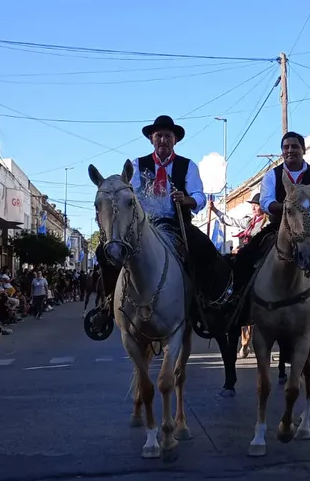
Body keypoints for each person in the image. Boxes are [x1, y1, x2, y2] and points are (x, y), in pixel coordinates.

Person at [94, 115, 227, 332]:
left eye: (167, 136)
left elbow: (199, 196)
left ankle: (206, 302)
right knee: (104, 251)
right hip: (143, 225)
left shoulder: (187, 165)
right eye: (159, 136)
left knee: (205, 250)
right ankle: (108, 304)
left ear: (175, 140)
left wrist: (186, 199)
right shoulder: (136, 165)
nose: (163, 140)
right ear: (151, 140)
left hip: (176, 223)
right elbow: (128, 195)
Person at [231, 132, 310, 328]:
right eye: (286, 147)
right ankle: (238, 305)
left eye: (294, 146)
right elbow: (266, 203)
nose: (290, 150)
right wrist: (289, 207)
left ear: (303, 150)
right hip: (279, 227)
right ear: (282, 152)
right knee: (243, 258)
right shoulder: (272, 175)